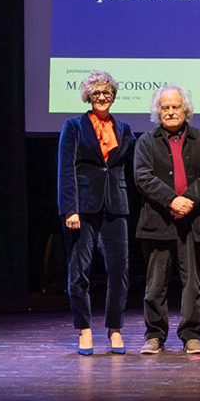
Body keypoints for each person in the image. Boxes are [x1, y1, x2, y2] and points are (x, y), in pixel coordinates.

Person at [133, 83, 200, 355]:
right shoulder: (146, 141)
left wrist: (188, 201)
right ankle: (155, 336)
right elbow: (143, 176)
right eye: (165, 108)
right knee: (156, 284)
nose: (170, 112)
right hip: (158, 222)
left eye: (175, 107)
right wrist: (171, 199)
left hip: (193, 222)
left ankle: (191, 335)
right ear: (157, 112)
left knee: (192, 283)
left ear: (186, 110)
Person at [57, 70, 137, 355]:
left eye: (107, 93)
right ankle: (84, 329)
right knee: (79, 271)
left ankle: (115, 329)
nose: (102, 98)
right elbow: (66, 169)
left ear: (113, 96)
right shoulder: (74, 127)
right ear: (88, 97)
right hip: (83, 207)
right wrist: (70, 209)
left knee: (119, 270)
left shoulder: (124, 129)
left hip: (116, 205)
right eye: (96, 93)